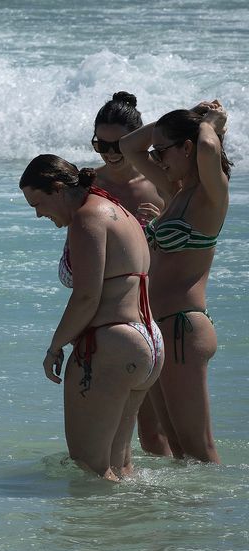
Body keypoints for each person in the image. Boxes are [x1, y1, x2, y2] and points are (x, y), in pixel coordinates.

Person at [20, 155, 164, 481]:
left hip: (113, 344)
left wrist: (54, 348)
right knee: (121, 468)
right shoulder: (118, 210)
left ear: (58, 189)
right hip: (148, 342)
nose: (38, 214)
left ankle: (89, 534)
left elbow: (87, 297)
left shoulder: (88, 218)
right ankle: (133, 528)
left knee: (90, 470)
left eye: (38, 203)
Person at [120, 100, 231, 463]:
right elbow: (128, 147)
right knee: (178, 452)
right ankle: (183, 522)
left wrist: (208, 124)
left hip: (184, 327)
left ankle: (215, 518)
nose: (157, 157)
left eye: (163, 150)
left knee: (199, 450)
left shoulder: (210, 195)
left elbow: (209, 148)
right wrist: (185, 117)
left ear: (188, 148)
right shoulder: (176, 191)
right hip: (159, 327)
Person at [89, 91, 172, 457]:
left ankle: (177, 507)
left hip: (157, 311)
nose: (108, 152)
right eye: (99, 143)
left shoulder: (163, 182)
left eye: (117, 145)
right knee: (113, 432)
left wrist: (159, 229)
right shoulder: (89, 182)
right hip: (110, 316)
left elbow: (192, 247)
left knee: (157, 430)